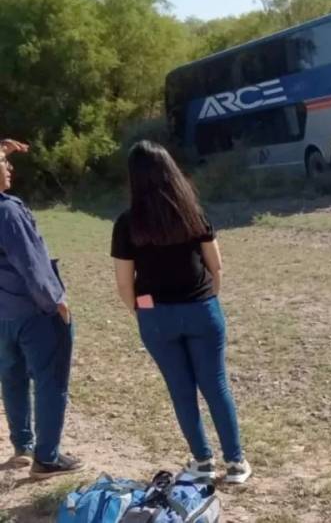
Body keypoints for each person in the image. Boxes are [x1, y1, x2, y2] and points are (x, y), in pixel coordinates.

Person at [111, 140, 251, 484]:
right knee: (216, 385)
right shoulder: (192, 212)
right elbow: (216, 266)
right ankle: (235, 463)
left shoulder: (127, 223)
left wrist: (143, 312)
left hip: (156, 315)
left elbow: (124, 283)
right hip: (202, 308)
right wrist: (207, 298)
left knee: (180, 389)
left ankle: (202, 462)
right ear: (170, 171)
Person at [0, 144, 82, 478]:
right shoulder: (8, 211)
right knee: (51, 381)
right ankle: (46, 458)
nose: (10, 168)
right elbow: (31, 263)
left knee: (12, 376)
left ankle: (23, 447)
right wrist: (56, 302)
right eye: (3, 163)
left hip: (2, 314)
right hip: (33, 311)